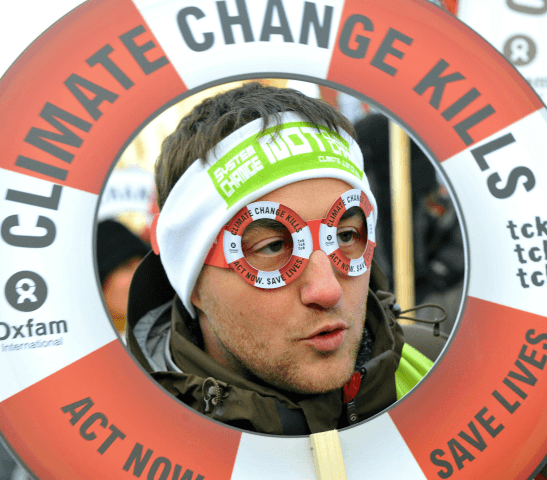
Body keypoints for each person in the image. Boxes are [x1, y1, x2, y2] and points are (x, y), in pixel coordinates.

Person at [126, 82, 434, 435]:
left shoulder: (449, 373)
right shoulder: (122, 445)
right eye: (272, 247)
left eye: (346, 236)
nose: (327, 290)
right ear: (191, 279)